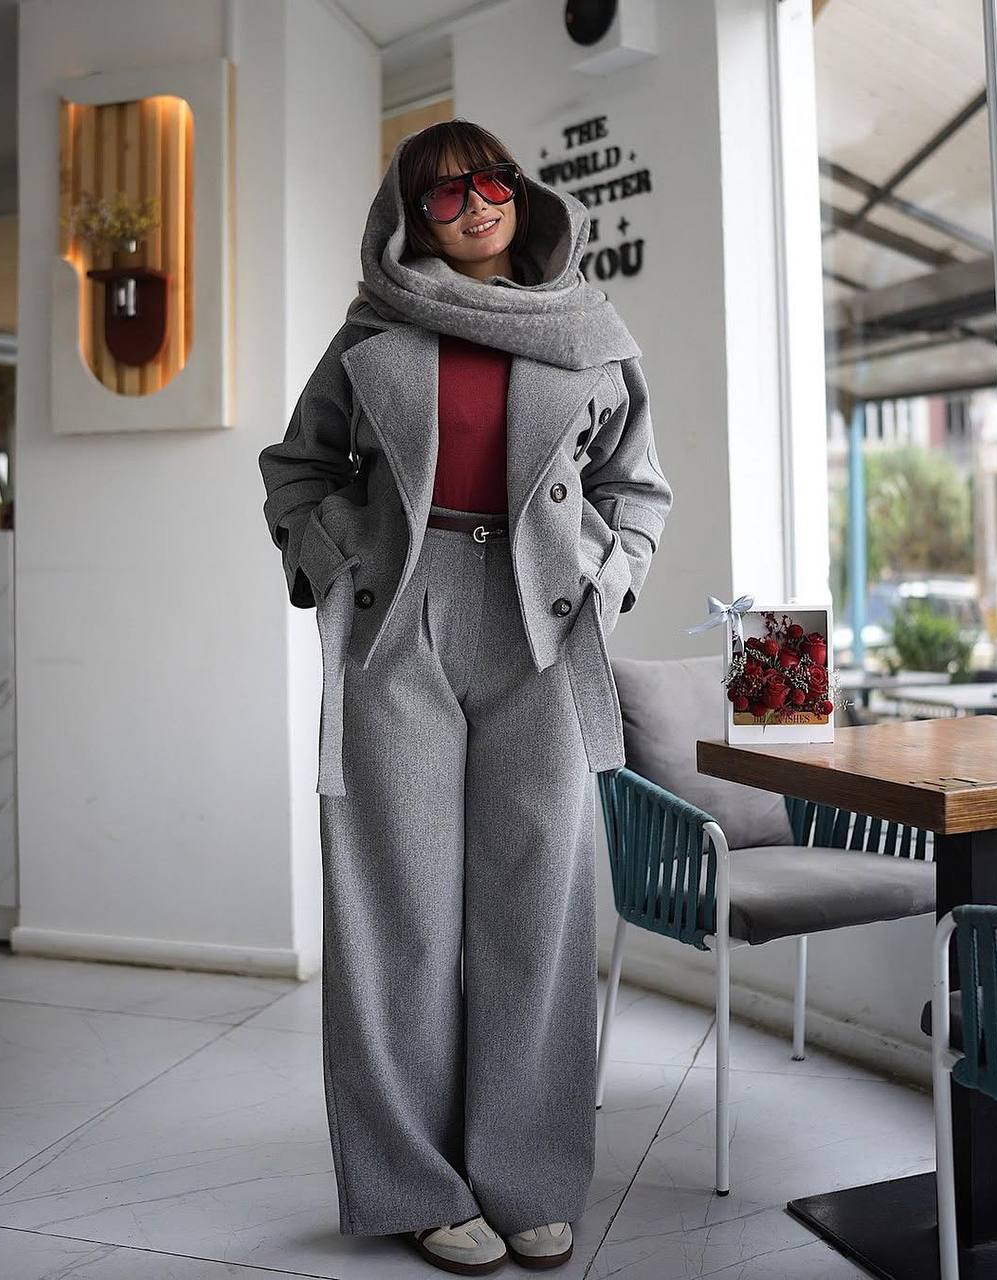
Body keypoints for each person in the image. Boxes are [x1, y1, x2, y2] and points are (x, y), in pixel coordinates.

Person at [258, 119, 673, 1274]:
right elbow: (296, 469)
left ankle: (525, 1176)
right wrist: (338, 562)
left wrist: (608, 577)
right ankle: (414, 1183)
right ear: (409, 220)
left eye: (490, 180)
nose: (475, 203)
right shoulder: (372, 332)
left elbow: (637, 487)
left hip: (543, 619)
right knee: (395, 912)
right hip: (401, 616)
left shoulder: (588, 329)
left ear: (520, 194)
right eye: (442, 194)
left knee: (536, 911)